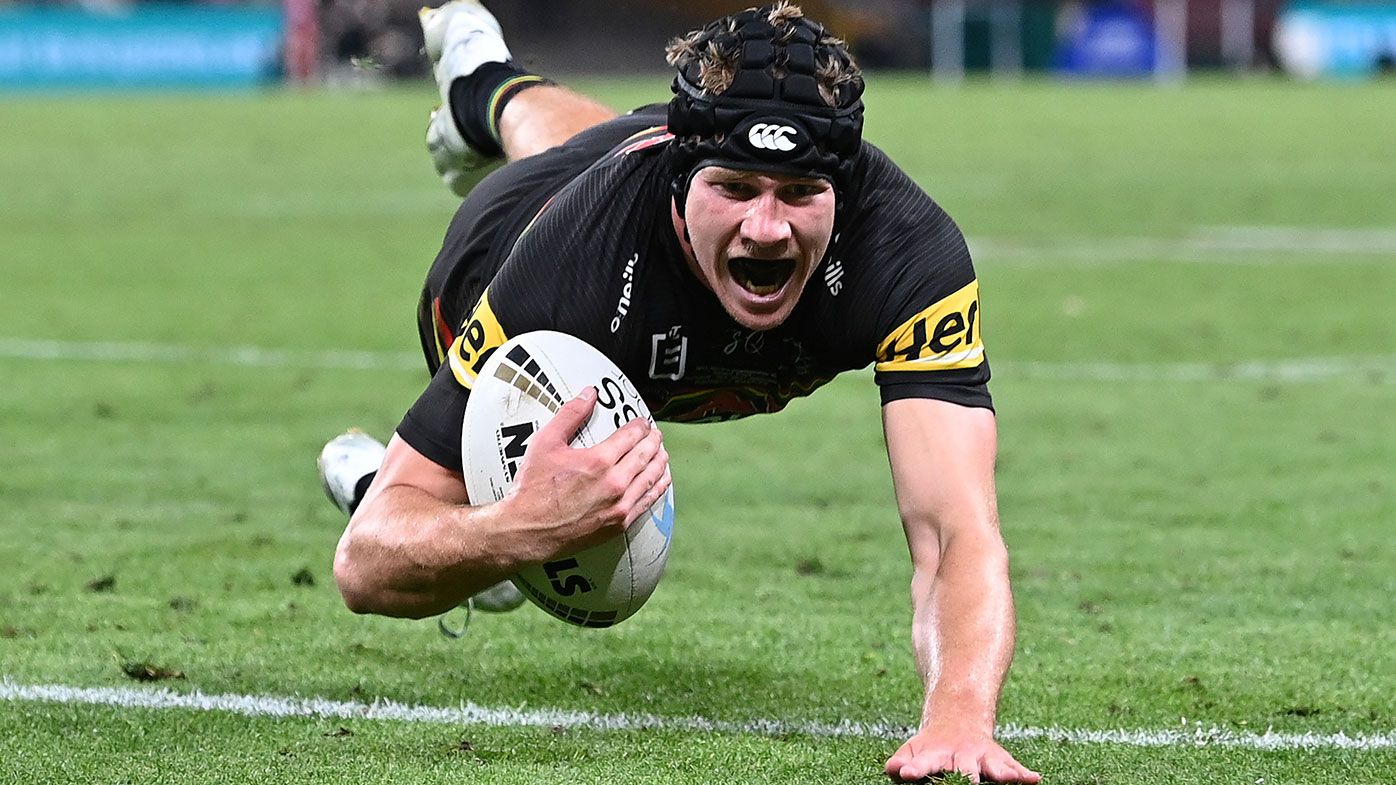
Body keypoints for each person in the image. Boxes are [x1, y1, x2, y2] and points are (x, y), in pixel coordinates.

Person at [319, 2, 1040, 782]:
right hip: (499, 258)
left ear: (847, 181)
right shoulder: (565, 276)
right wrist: (517, 528)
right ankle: (458, 512)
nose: (767, 228)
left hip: (632, 173)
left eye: (800, 192)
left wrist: (958, 718)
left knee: (587, 135)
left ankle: (488, 87)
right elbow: (364, 565)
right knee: (517, 537)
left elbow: (955, 530)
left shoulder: (908, 255)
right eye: (735, 187)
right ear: (678, 173)